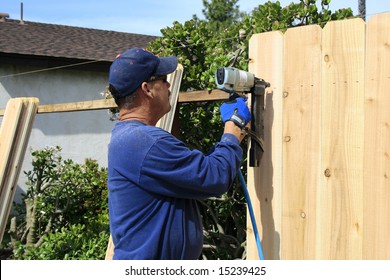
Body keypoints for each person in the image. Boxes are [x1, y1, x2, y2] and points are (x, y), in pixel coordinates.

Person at [107, 47, 251, 260]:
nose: (168, 85)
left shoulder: (131, 137)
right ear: (147, 89)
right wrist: (233, 128)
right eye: (163, 79)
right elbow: (214, 176)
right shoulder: (143, 142)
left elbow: (194, 174)